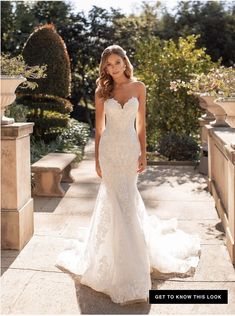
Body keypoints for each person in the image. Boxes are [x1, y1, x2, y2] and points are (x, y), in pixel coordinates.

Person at [55, 44, 201, 306]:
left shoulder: (139, 87)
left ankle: (134, 259)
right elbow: (99, 129)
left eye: (116, 63)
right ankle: (121, 268)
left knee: (127, 200)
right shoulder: (102, 90)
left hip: (130, 149)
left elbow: (141, 123)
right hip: (110, 152)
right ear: (105, 67)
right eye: (108, 65)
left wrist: (143, 152)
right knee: (115, 202)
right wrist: (98, 158)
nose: (112, 68)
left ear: (125, 62)